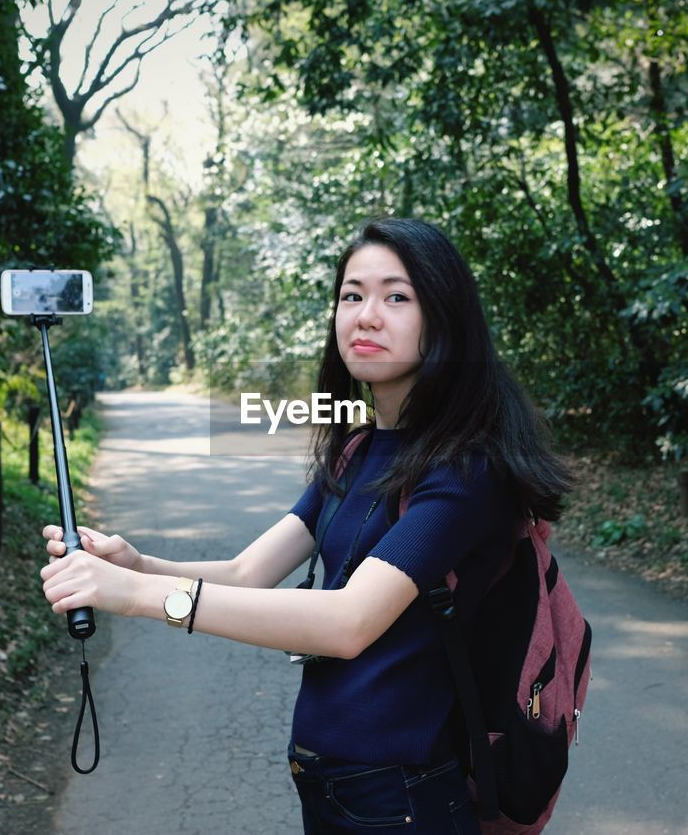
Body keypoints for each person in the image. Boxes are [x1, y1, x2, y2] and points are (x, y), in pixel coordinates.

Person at [39, 217, 572, 833]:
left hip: (404, 798)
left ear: (444, 318)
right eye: (352, 295)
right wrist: (136, 566)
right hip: (330, 786)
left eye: (396, 296)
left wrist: (137, 598)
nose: (366, 315)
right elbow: (247, 571)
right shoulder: (357, 449)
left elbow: (347, 623)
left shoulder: (465, 470)